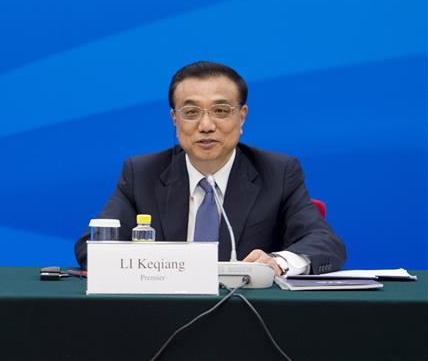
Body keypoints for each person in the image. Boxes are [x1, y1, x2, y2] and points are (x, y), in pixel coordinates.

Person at [75, 61, 345, 276]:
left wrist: (278, 262)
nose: (206, 125)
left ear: (241, 117)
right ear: (174, 119)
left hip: (252, 318)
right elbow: (92, 246)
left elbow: (325, 243)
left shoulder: (278, 172)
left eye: (220, 110)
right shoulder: (142, 173)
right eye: (191, 112)